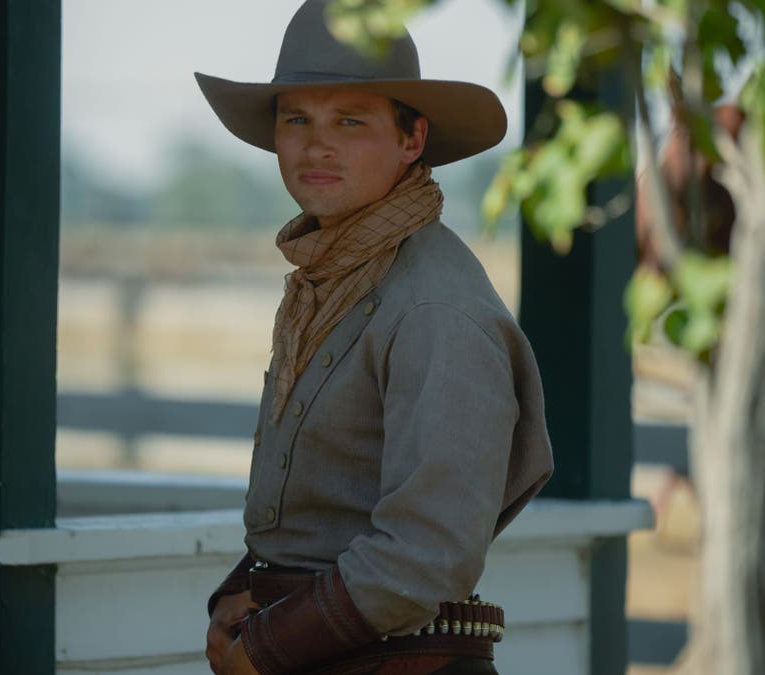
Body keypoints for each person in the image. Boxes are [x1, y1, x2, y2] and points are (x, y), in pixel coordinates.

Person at [195, 1, 553, 673]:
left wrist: (264, 650)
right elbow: (317, 510)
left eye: (350, 120)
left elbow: (425, 556)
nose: (316, 144)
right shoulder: (330, 280)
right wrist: (241, 593)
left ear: (412, 138)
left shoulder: (434, 306)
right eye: (297, 118)